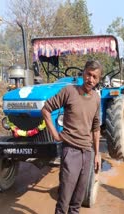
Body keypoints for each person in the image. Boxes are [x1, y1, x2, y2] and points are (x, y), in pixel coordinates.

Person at [41, 60, 102, 214]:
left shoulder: (96, 98)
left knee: (77, 202)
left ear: (98, 80)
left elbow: (95, 127)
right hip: (71, 152)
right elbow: (46, 109)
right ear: (83, 73)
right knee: (64, 200)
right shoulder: (69, 91)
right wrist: (55, 134)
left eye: (95, 77)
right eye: (88, 74)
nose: (91, 79)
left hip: (87, 153)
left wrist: (97, 154)